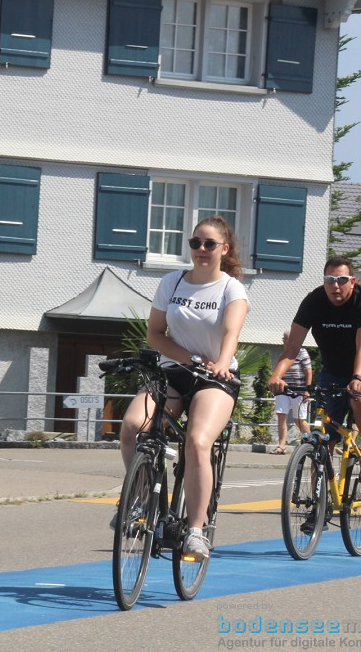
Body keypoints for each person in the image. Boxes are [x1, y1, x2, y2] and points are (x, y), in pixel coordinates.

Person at [118, 216, 249, 560]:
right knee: (133, 425)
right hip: (176, 370)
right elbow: (155, 334)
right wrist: (189, 357)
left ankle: (195, 529)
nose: (201, 250)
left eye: (209, 244)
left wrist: (222, 362)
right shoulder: (172, 282)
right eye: (195, 243)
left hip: (215, 379)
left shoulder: (230, 288)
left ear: (224, 249)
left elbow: (232, 333)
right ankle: (141, 497)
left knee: (197, 441)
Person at [268, 255, 361, 482]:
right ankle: (317, 510)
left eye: (342, 279)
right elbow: (292, 346)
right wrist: (276, 376)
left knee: (359, 398)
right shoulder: (314, 301)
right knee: (322, 441)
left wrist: (357, 377)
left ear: (352, 281)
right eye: (330, 279)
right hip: (333, 371)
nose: (335, 285)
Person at [271, 331, 313, 454]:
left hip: (299, 390)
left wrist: (307, 389)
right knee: (281, 415)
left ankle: (310, 441)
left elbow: (308, 372)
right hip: (283, 390)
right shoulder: (283, 354)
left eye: (286, 339)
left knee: (298, 419)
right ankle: (281, 446)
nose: (284, 341)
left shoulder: (302, 352)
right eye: (284, 339)